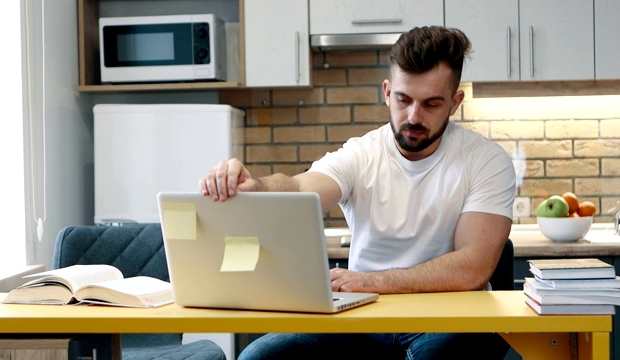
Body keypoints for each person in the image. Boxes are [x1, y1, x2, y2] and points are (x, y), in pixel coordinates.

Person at [199, 26, 516, 360]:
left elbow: (472, 268)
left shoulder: (485, 161)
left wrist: (372, 281)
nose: (413, 116)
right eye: (403, 99)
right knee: (259, 357)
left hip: (449, 317)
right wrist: (258, 187)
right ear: (386, 92)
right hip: (361, 318)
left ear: (454, 103)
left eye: (432, 104)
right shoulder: (362, 153)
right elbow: (299, 188)